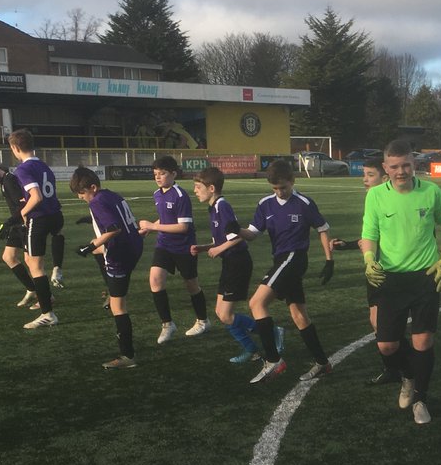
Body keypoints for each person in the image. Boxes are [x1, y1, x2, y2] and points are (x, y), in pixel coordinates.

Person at [359, 139, 441, 424]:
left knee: (423, 341)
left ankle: (421, 400)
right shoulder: (375, 196)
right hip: (390, 278)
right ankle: (407, 376)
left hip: (426, 276)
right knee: (387, 346)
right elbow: (369, 233)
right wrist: (368, 258)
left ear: (414, 164)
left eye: (406, 165)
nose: (401, 171)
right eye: (395, 166)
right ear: (385, 168)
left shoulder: (431, 191)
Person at [239, 159, 335, 384]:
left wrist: (329, 260)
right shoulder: (265, 204)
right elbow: (253, 233)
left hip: (295, 258)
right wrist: (237, 230)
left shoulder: (303, 203)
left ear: (292, 181)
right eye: (275, 188)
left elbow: (322, 229)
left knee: (256, 303)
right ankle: (323, 363)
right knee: (299, 315)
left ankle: (273, 360)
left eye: (283, 187)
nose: (280, 192)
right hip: (281, 259)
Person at [329, 156, 396, 384]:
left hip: (392, 270)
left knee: (385, 325)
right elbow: (369, 236)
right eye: (363, 175)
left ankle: (408, 371)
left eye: (370, 175)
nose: (364, 180)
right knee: (377, 323)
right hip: (373, 269)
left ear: (385, 177)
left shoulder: (392, 200)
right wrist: (347, 244)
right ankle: (393, 369)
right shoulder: (372, 198)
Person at [69, 167, 144, 369]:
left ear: (93, 187)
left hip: (120, 253)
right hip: (134, 245)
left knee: (118, 307)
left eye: (82, 193)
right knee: (98, 252)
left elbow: (113, 228)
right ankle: (111, 289)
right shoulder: (111, 195)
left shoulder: (97, 201)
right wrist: (93, 223)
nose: (81, 197)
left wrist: (89, 246)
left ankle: (127, 356)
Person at [189, 167, 259, 364]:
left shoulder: (222, 206)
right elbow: (222, 239)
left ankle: (270, 332)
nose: (195, 191)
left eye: (197, 187)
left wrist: (218, 250)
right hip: (230, 263)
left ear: (211, 188)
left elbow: (236, 237)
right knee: (221, 314)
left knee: (226, 315)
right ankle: (252, 349)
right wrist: (205, 247)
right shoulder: (213, 208)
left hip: (238, 263)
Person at [137, 156, 209, 344]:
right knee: (155, 280)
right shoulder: (157, 194)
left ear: (173, 174)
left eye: (162, 173)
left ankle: (203, 320)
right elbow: (165, 219)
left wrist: (152, 227)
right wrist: (150, 227)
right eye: (155, 174)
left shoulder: (180, 195)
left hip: (184, 247)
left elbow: (182, 227)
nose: (158, 177)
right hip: (164, 245)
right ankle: (167, 324)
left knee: (191, 285)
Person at [9, 129, 65, 329]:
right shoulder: (44, 166)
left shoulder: (22, 169)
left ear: (15, 148)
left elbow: (36, 196)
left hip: (39, 218)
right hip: (55, 215)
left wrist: (24, 212)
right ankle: (57, 270)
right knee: (31, 259)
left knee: (36, 267)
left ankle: (47, 313)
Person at [0, 157, 39, 308]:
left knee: (32, 263)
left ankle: (46, 296)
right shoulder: (4, 181)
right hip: (16, 224)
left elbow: (22, 206)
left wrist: (9, 222)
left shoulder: (10, 180)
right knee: (8, 257)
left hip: (24, 224)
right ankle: (32, 289)